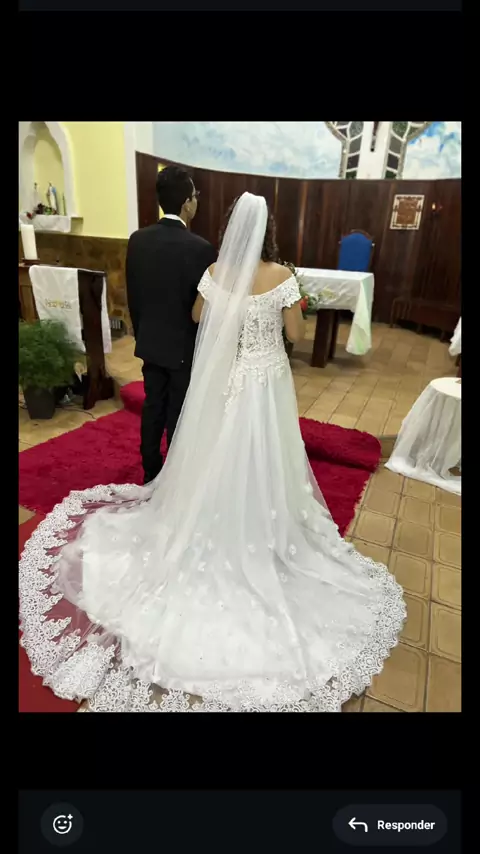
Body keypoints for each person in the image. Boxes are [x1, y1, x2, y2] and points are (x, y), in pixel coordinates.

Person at [19, 193, 406, 713]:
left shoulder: (215, 272)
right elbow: (295, 333)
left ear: (231, 229)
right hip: (266, 381)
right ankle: (263, 526)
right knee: (266, 452)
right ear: (269, 231)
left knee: (217, 449)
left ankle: (210, 514)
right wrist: (281, 313)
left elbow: (200, 316)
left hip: (227, 379)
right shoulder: (282, 277)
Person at [126, 165, 217, 484]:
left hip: (150, 341)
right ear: (187, 202)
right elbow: (204, 308)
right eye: (195, 196)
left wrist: (143, 333)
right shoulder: (201, 249)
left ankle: (151, 469)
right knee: (178, 411)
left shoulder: (137, 240)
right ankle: (176, 478)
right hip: (183, 347)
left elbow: (134, 295)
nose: (196, 201)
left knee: (153, 405)